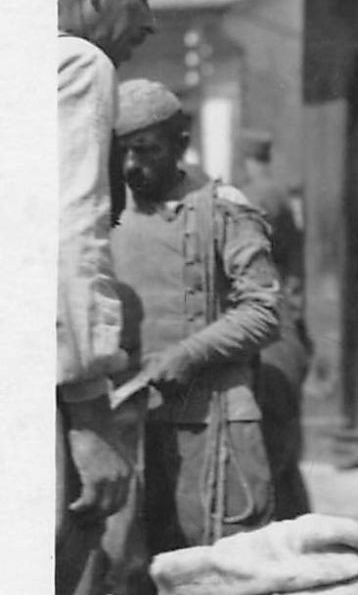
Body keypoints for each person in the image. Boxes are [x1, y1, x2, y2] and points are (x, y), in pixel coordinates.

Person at [109, 80, 282, 555]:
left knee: (220, 565)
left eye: (146, 151)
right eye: (121, 152)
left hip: (211, 419)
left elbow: (264, 312)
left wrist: (188, 354)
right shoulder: (99, 213)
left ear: (180, 144)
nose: (130, 166)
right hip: (122, 421)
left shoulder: (223, 209)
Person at [56, 0, 151, 595]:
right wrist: (89, 415)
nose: (147, 23)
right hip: (46, 397)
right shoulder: (76, 66)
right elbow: (66, 238)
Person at [238, 129, 312, 519]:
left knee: (272, 445)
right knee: (283, 446)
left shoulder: (259, 196)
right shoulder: (278, 191)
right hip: (286, 322)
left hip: (273, 327)